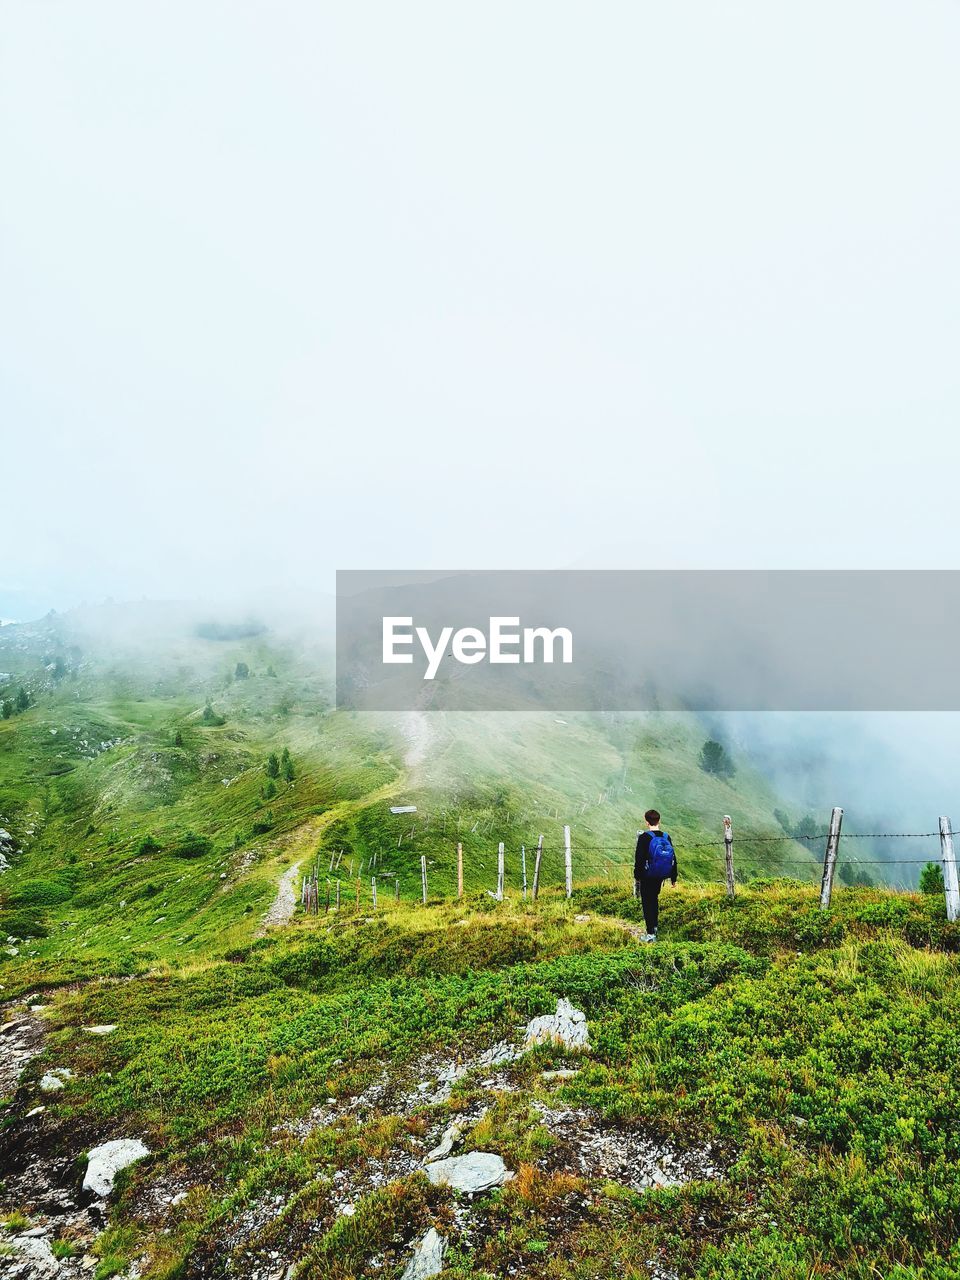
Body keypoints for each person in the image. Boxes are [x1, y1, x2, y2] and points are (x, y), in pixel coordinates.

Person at [634, 808, 677, 942]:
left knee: (647, 902)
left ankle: (650, 933)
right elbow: (673, 858)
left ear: (647, 822)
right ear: (659, 821)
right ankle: (655, 928)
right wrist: (673, 877)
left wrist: (637, 875)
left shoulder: (644, 837)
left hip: (647, 875)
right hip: (661, 875)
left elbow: (639, 859)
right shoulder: (666, 837)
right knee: (654, 900)